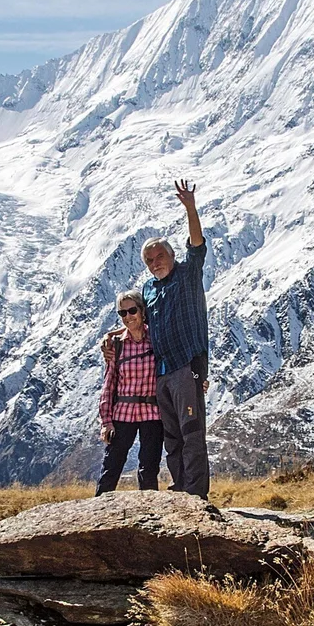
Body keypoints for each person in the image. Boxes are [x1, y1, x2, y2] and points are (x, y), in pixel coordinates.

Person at [137, 180, 212, 497]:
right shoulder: (148, 289)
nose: (156, 263)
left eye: (159, 256)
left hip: (187, 365)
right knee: (172, 436)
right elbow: (140, 325)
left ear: (171, 255)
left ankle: (197, 496)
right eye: (150, 261)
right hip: (162, 372)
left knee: (192, 432)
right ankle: (180, 489)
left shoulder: (188, 272)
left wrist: (190, 208)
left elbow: (197, 244)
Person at [95, 292, 164, 494]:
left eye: (132, 310)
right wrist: (106, 421)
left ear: (142, 311)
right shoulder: (116, 346)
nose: (128, 316)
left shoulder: (156, 340)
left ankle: (149, 516)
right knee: (111, 466)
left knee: (149, 468)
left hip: (152, 412)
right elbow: (109, 385)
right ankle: (98, 514)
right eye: (122, 313)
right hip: (122, 412)